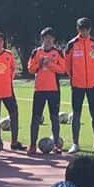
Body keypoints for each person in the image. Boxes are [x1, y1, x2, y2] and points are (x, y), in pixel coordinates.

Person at [65, 17, 94, 153]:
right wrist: (74, 78)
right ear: (78, 29)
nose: (84, 31)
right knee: (76, 114)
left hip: (93, 85)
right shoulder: (72, 44)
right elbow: (67, 65)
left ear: (90, 29)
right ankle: (75, 144)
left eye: (87, 29)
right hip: (77, 85)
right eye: (82, 29)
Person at [26, 27, 66, 155]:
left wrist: (50, 65)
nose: (48, 40)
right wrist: (39, 64)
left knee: (54, 118)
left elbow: (63, 69)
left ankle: (56, 145)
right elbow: (30, 69)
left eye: (50, 38)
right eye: (46, 38)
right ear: (42, 39)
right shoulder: (36, 52)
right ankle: (32, 145)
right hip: (39, 90)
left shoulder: (58, 52)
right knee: (35, 118)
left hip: (53, 90)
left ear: (53, 39)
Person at [0, 31, 24, 150]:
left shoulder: (8, 54)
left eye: (1, 41)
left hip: (8, 90)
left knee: (14, 113)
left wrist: (8, 79)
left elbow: (13, 68)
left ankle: (14, 142)